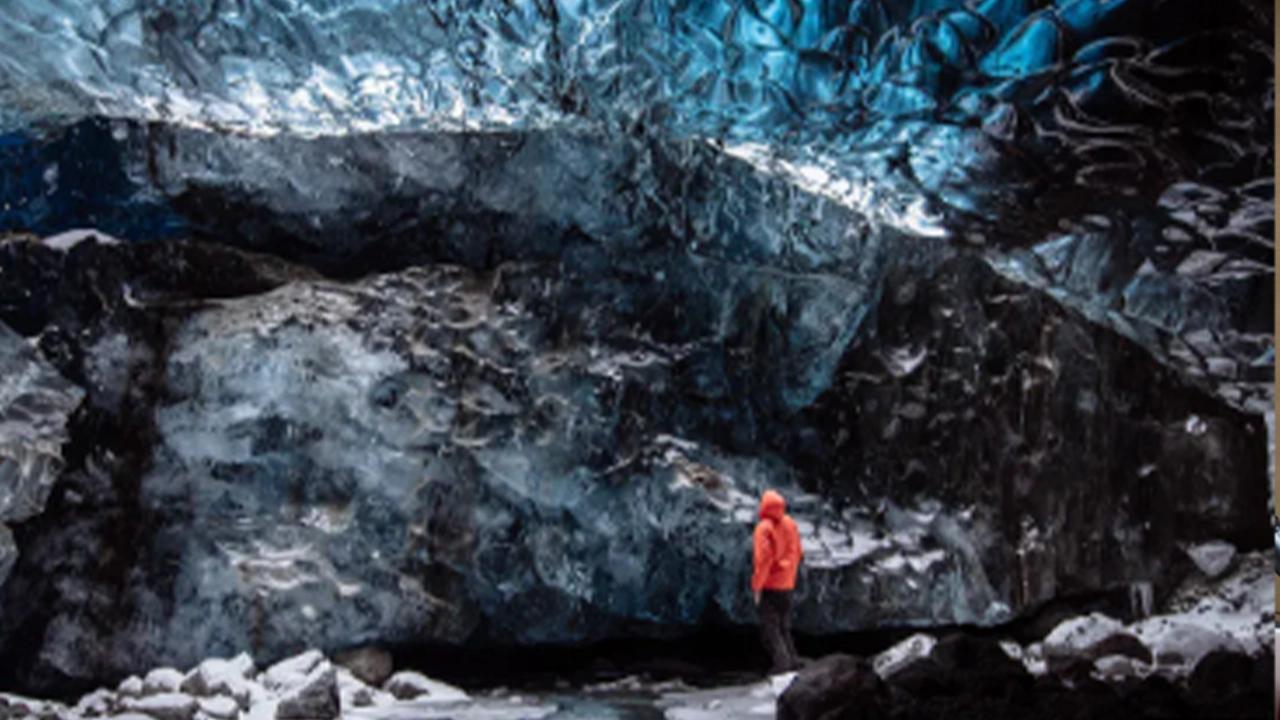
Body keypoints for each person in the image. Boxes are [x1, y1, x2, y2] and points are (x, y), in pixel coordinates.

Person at [752, 489, 803, 673]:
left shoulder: (763, 528)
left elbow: (763, 560)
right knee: (784, 626)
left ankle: (782, 664)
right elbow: (798, 551)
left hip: (770, 585)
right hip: (787, 583)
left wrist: (757, 587)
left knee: (771, 629)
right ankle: (793, 659)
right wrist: (790, 575)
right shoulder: (790, 523)